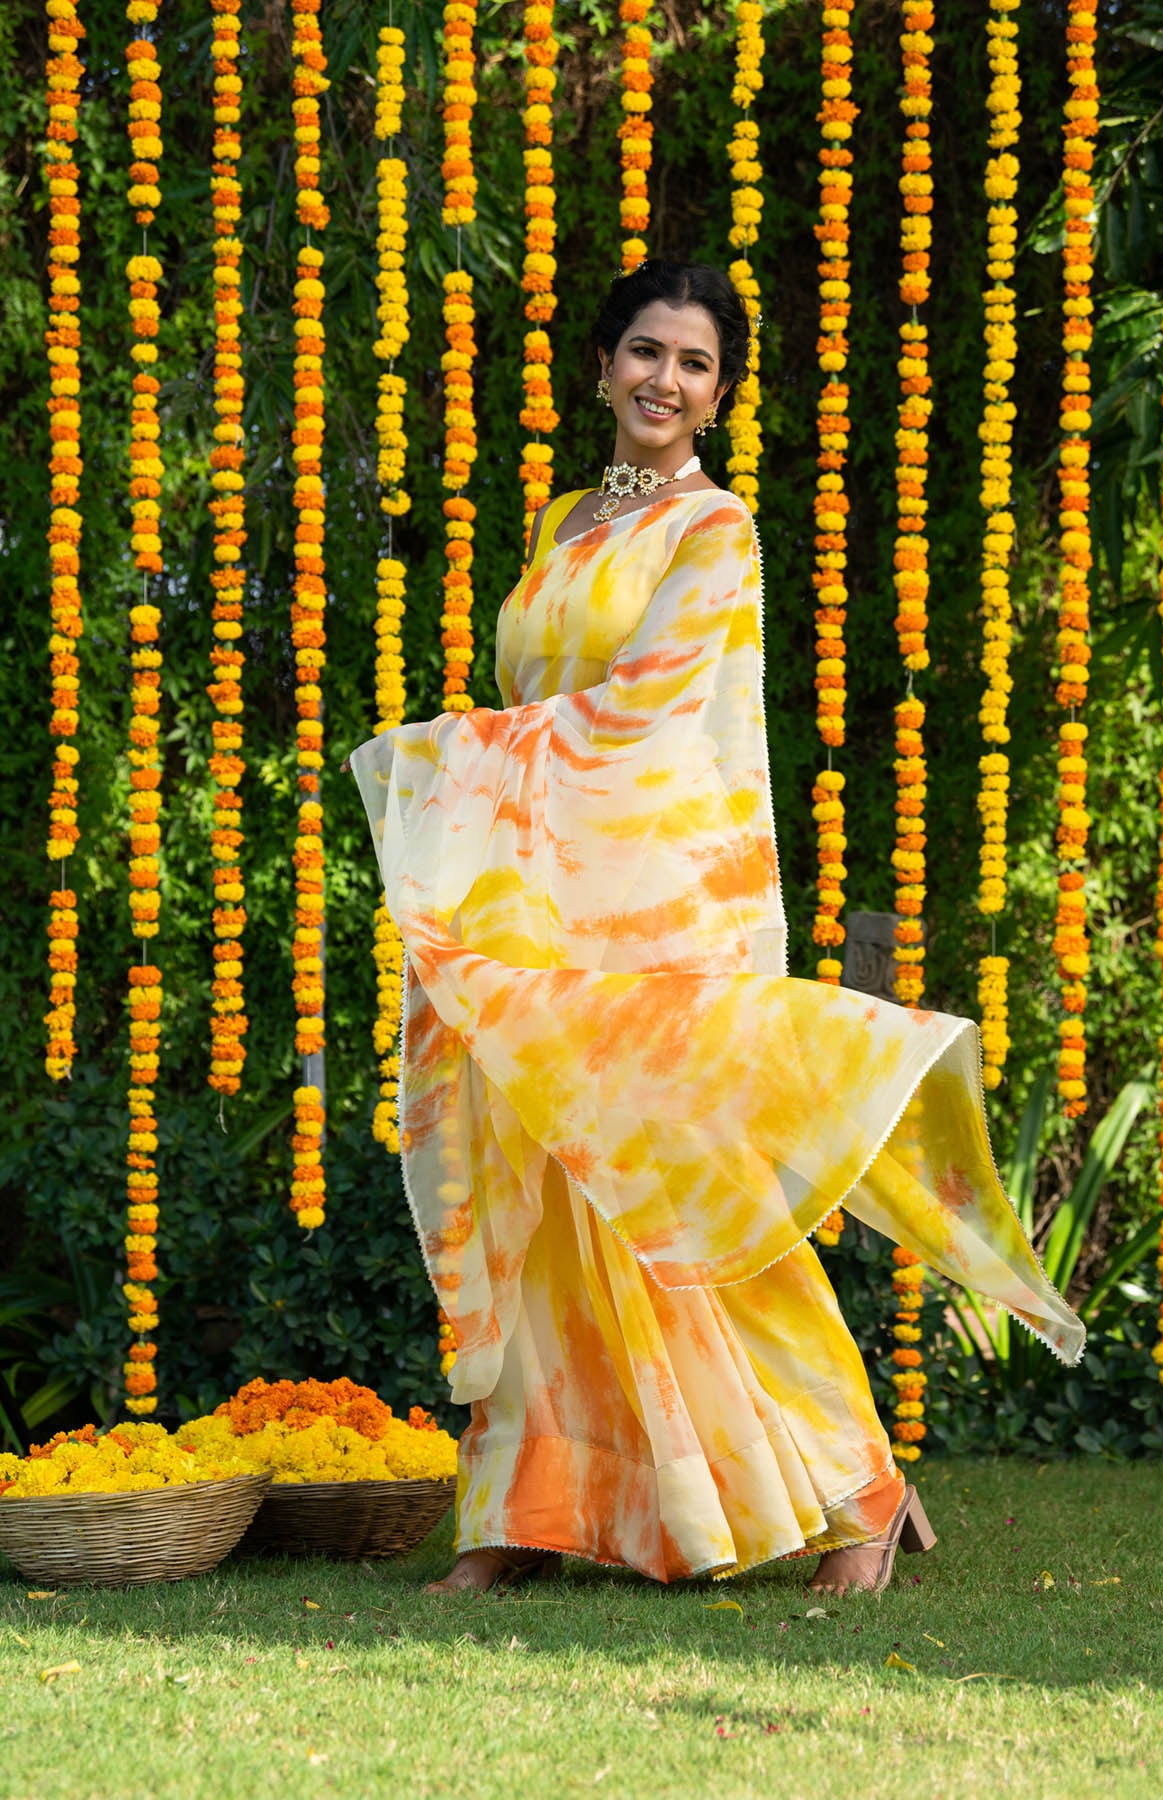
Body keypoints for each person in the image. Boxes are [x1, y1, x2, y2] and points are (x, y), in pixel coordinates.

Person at [350, 260, 1082, 1598]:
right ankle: (523, 1511)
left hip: (657, 908)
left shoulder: (714, 531)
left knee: (691, 1202)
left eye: (693, 364)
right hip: (540, 912)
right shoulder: (567, 521)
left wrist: (463, 755)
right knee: (548, 1200)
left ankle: (862, 1490)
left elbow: (647, 716)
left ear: (719, 395)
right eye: (644, 352)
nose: (663, 382)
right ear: (603, 367)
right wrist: (489, 788)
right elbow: (542, 685)